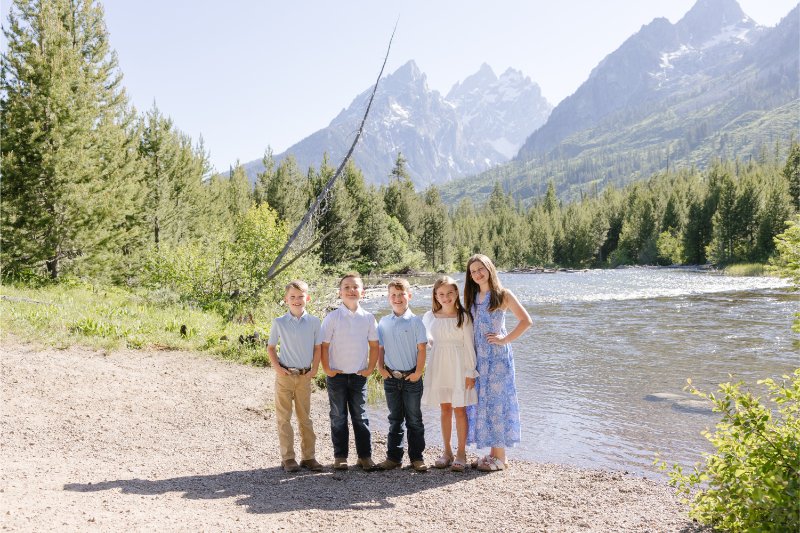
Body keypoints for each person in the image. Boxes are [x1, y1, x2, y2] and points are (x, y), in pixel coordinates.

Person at [464, 254, 532, 472]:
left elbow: (526, 321)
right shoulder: (473, 296)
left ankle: (501, 457)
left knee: (498, 403)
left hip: (498, 359)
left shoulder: (502, 294)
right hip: (480, 359)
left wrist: (505, 339)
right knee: (485, 403)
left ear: (489, 269)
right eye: (473, 271)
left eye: (480, 269)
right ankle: (493, 454)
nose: (477, 274)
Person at [320, 273, 380, 471]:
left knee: (360, 416)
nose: (351, 290)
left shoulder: (369, 318)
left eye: (355, 287)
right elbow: (324, 346)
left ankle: (365, 456)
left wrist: (370, 368)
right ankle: (340, 456)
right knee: (338, 416)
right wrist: (327, 369)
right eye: (346, 287)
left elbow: (374, 346)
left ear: (362, 292)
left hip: (358, 376)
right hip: (336, 376)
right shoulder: (332, 317)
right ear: (340, 293)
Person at [421, 276, 478, 473]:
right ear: (436, 295)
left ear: (456, 294)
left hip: (459, 366)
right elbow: (426, 337)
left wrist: (471, 372)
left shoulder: (464, 316)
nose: (446, 297)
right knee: (444, 408)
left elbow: (470, 346)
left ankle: (461, 453)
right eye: (441, 294)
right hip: (439, 365)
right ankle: (447, 452)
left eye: (450, 293)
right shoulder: (430, 316)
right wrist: (429, 341)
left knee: (460, 410)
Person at [267, 280, 323, 473]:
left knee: (305, 418)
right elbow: (271, 347)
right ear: (286, 299)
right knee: (284, 418)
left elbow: (318, 348)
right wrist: (277, 368)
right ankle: (288, 458)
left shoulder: (315, 322)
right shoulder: (279, 322)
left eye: (301, 297)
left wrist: (315, 369)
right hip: (285, 375)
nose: (297, 300)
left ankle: (309, 457)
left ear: (307, 298)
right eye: (293, 297)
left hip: (304, 376)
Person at [376, 278, 429, 472]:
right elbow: (380, 348)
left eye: (401, 294)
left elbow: (422, 350)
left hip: (411, 379)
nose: (397, 298)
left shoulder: (416, 322)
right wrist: (380, 368)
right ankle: (393, 458)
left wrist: (418, 373)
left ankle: (416, 457)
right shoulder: (383, 322)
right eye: (393, 295)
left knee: (414, 419)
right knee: (394, 419)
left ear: (409, 296)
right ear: (389, 298)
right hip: (391, 378)